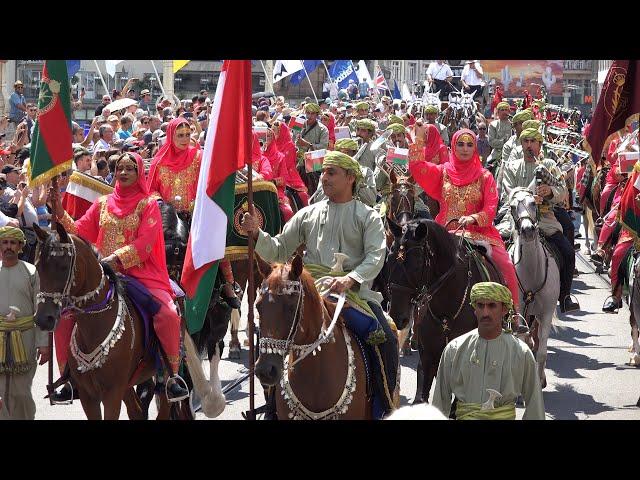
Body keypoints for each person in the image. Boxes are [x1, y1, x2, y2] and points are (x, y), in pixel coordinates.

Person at [242, 151, 398, 419]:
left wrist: (351, 278)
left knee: (384, 333)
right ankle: (272, 404)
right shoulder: (308, 214)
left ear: (350, 177)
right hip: (309, 289)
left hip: (353, 293)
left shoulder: (368, 216)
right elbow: (279, 249)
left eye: (331, 173)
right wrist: (257, 233)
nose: (323, 178)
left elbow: (376, 256)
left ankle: (383, 404)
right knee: (274, 329)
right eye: (323, 172)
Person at [50, 153, 188, 401]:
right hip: (104, 275)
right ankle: (68, 379)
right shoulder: (102, 203)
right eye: (120, 168)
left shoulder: (149, 204)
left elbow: (146, 243)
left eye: (129, 169)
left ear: (139, 174)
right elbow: (80, 231)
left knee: (167, 313)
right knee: (64, 316)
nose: (123, 173)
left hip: (141, 274)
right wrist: (60, 212)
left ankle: (171, 376)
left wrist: (117, 258)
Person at [409, 128, 520, 310]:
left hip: (479, 233)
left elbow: (491, 207)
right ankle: (412, 316)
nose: (465, 149)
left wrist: (474, 218)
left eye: (470, 144)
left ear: (475, 148)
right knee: (416, 262)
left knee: (506, 264)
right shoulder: (442, 172)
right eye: (460, 144)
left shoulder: (485, 176)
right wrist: (419, 139)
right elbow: (418, 168)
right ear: (453, 146)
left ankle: (514, 314)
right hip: (445, 232)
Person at [147, 118, 241, 309]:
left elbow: (209, 186)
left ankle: (226, 284)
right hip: (167, 218)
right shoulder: (159, 161)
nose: (184, 139)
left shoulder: (200, 157)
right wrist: (161, 202)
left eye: (188, 135)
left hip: (196, 215)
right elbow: (151, 190)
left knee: (215, 242)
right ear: (171, 136)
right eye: (180, 135)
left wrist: (196, 203)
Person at [431, 282, 545, 420]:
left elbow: (534, 406)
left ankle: (565, 296)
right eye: (480, 306)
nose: (485, 312)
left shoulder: (521, 353)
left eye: (492, 306)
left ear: (504, 309)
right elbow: (439, 403)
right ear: (474, 309)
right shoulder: (454, 349)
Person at [499, 127, 580, 313]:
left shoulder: (549, 165)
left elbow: (562, 191)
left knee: (568, 252)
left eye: (532, 142)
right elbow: (508, 193)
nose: (529, 146)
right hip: (517, 220)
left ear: (539, 145)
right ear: (521, 145)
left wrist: (550, 192)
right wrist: (527, 197)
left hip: (544, 220)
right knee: (496, 249)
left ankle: (565, 297)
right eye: (525, 142)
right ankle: (498, 296)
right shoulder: (512, 167)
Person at [0, 226, 50, 420]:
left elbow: (40, 309)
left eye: (13, 242)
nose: (8, 247)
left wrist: (43, 343)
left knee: (21, 393)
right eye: (5, 242)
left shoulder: (32, 272)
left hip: (25, 338)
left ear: (20, 246)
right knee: (1, 393)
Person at [496, 109, 532, 197]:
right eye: (514, 125)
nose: (515, 128)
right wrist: (499, 187)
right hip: (515, 181)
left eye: (517, 124)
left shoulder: (537, 139)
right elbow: (505, 166)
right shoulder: (509, 144)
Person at [487, 101, 512, 171]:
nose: (504, 112)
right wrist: (503, 141)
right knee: (487, 170)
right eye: (502, 110)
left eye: (506, 110)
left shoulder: (513, 125)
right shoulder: (493, 125)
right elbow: (491, 141)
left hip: (512, 153)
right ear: (498, 112)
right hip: (497, 154)